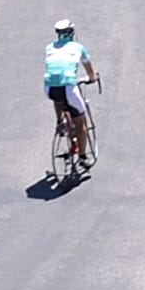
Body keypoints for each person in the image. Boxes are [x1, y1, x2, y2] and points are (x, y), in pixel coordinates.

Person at [42, 19, 101, 178]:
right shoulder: (78, 48)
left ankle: (61, 122)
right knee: (81, 121)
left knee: (58, 99)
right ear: (72, 33)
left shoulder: (49, 48)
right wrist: (91, 78)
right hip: (69, 87)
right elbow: (89, 69)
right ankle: (82, 156)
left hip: (49, 88)